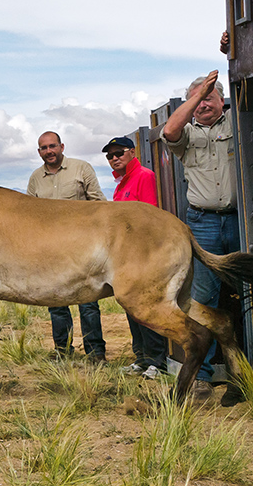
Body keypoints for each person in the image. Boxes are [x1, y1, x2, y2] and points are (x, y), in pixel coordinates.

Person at [163, 71, 240, 402]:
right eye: (197, 99)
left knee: (244, 295)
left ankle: (243, 376)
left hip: (242, 219)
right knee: (203, 297)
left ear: (222, 99)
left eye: (209, 96)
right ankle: (202, 377)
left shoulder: (236, 123)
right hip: (203, 222)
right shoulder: (186, 134)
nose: (204, 103)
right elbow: (168, 130)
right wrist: (197, 94)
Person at [27, 130, 109, 363]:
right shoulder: (35, 178)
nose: (49, 151)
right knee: (56, 303)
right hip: (50, 250)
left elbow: (99, 204)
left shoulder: (81, 168)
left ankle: (96, 353)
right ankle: (62, 351)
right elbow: (29, 215)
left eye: (53, 146)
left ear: (62, 146)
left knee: (88, 302)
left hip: (82, 247)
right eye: (44, 148)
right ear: (39, 152)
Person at [103, 136, 175, 386]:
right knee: (132, 309)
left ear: (132, 152)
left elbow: (149, 216)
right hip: (125, 257)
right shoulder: (120, 184)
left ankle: (158, 361)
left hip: (142, 255)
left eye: (118, 153)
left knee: (146, 309)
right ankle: (142, 358)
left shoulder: (144, 176)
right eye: (109, 156)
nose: (114, 158)